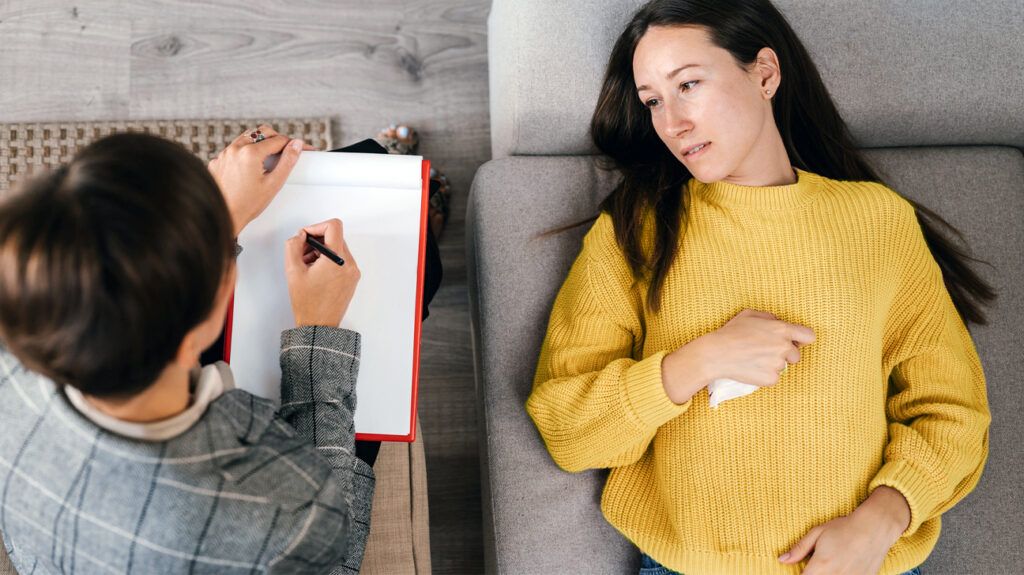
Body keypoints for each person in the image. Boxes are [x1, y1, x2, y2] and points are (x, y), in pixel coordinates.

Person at [525, 1, 994, 574]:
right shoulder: (635, 231)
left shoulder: (877, 222)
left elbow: (953, 410)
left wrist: (885, 515)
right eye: (653, 101)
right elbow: (567, 430)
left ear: (764, 72)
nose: (673, 122)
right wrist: (696, 361)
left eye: (688, 84)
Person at [0, 127, 375, 573]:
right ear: (196, 332)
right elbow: (333, 554)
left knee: (368, 154)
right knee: (379, 169)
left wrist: (211, 226)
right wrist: (317, 336)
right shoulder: (286, 509)